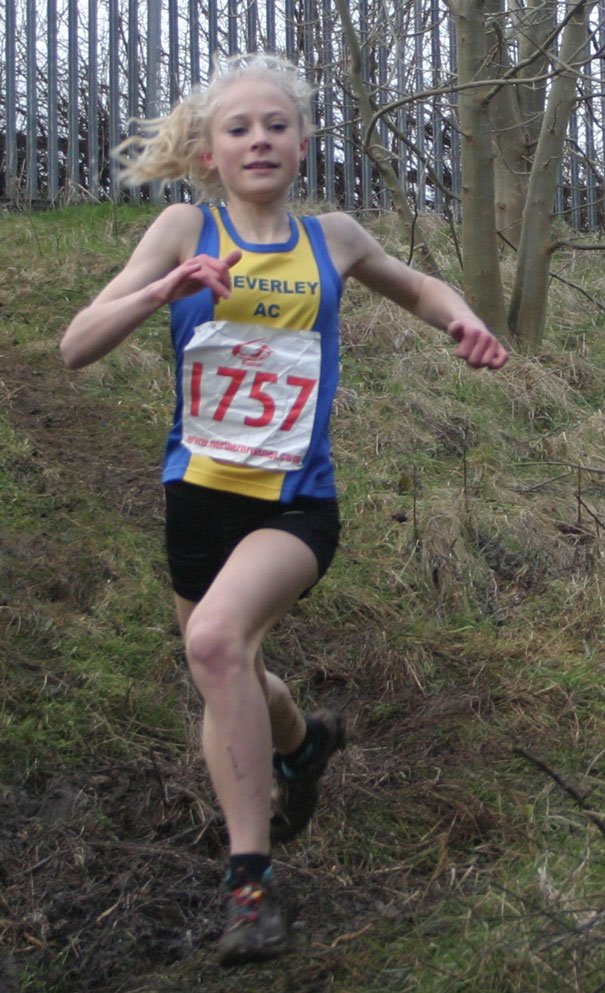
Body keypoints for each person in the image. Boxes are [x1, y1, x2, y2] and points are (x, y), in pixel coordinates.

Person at [60, 52, 509, 967]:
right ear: (209, 154)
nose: (259, 139)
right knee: (232, 672)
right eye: (238, 128)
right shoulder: (184, 228)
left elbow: (416, 285)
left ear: (303, 143)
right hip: (197, 501)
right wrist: (160, 290)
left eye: (276, 125)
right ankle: (301, 749)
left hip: (295, 507)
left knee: (214, 642)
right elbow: (75, 345)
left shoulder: (332, 238)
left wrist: (459, 318)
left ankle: (251, 887)